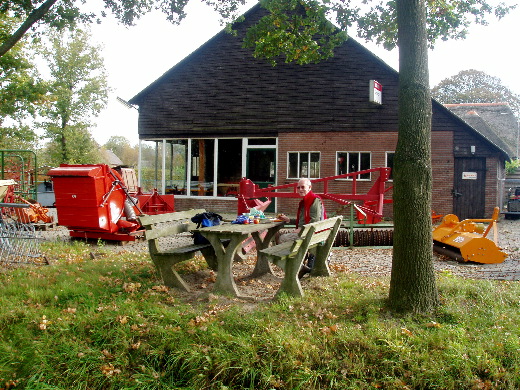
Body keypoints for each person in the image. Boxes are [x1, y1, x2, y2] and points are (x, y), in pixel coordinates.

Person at [278, 178, 327, 278]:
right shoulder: (305, 201)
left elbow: (315, 220)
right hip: (308, 233)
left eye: (303, 187)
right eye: (298, 187)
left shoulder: (314, 200)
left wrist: (301, 229)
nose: (300, 189)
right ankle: (299, 264)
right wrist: (288, 220)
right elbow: (303, 220)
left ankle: (297, 266)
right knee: (280, 236)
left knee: (281, 239)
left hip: (312, 235)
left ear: (309, 187)